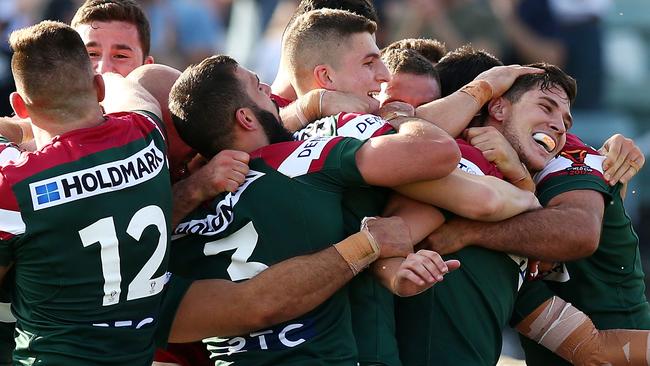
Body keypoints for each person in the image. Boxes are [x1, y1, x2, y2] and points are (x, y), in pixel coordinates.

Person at [167, 53, 462, 365]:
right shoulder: (297, 158)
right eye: (257, 87)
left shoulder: (175, 218)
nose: (269, 89)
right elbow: (437, 153)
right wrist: (395, 117)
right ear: (246, 118)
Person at [424, 52, 650, 365]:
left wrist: (469, 233)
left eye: (565, 118)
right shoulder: (479, 177)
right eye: (545, 107)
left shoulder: (567, 155)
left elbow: (578, 232)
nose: (560, 127)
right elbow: (587, 347)